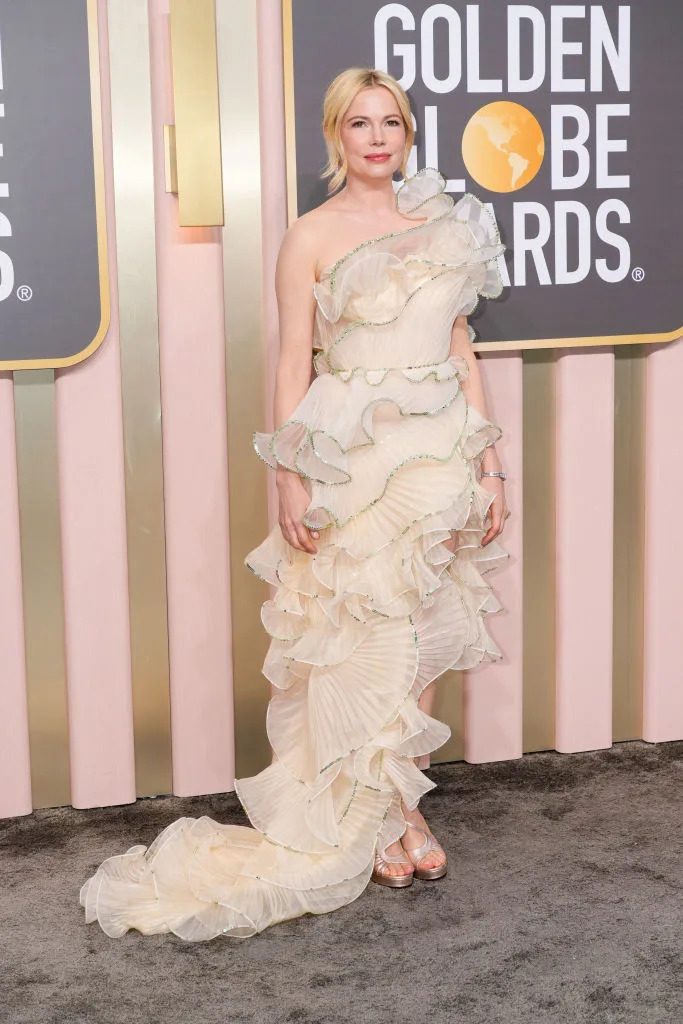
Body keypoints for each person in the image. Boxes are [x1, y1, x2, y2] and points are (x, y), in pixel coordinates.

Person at [80, 68, 509, 941]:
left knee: (426, 628)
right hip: (351, 451)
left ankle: (401, 807)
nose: (377, 137)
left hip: (438, 448)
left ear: (409, 133)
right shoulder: (309, 236)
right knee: (367, 633)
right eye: (360, 123)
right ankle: (381, 821)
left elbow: (463, 347)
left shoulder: (445, 226)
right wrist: (286, 474)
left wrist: (491, 461)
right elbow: (289, 367)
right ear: (334, 136)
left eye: (391, 122)